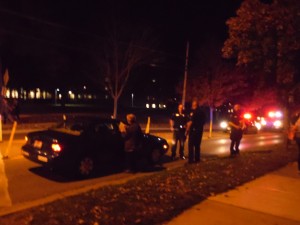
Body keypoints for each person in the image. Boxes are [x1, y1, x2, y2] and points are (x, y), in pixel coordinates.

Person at [186, 99, 206, 164]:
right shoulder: (202, 112)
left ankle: (191, 160)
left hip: (193, 131)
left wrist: (187, 130)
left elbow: (190, 122)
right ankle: (197, 159)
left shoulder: (194, 112)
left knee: (191, 145)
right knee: (197, 145)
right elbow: (204, 121)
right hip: (200, 131)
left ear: (194, 105)